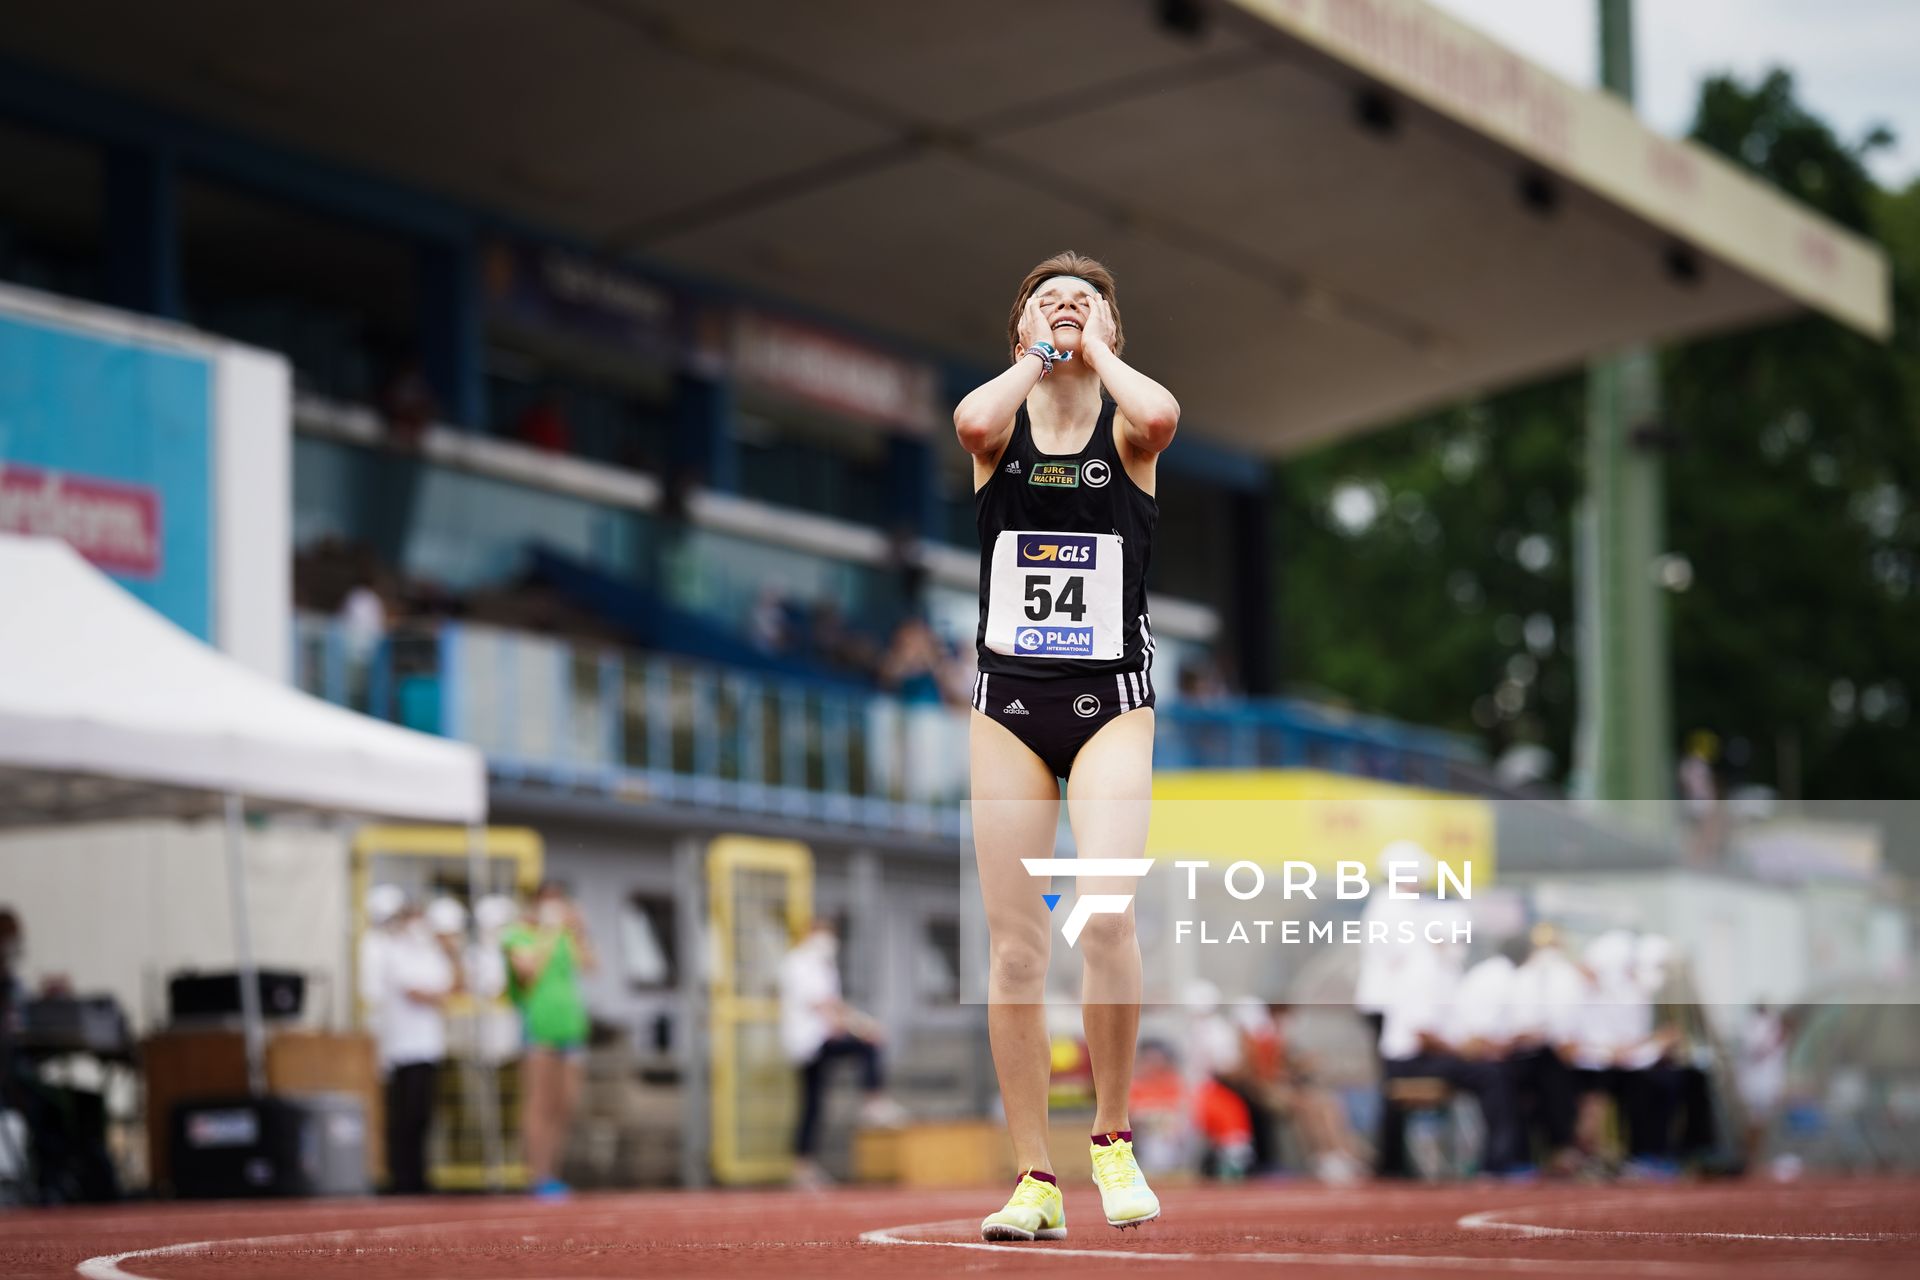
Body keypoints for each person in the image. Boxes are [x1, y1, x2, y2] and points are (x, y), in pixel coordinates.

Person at [955, 252, 1180, 1241]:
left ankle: (1112, 1135)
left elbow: (1165, 415)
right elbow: (970, 421)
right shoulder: (995, 425)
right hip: (1008, 704)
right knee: (1014, 945)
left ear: (1112, 333)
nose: (1067, 309)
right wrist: (1037, 357)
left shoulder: (1128, 428)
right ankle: (1033, 1175)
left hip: (1111, 703)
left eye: (1086, 304)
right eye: (1048, 302)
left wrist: (1091, 350)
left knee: (1107, 912)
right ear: (1020, 331)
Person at [777, 918, 904, 1188]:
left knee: (813, 1103)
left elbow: (831, 1007)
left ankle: (803, 1166)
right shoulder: (798, 963)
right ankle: (873, 1101)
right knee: (867, 1046)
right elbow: (824, 1006)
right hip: (809, 1042)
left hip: (818, 1039)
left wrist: (856, 1023)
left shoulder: (823, 966)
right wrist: (863, 1026)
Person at [501, 883, 595, 1199]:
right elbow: (527, 972)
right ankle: (537, 1174)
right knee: (539, 1104)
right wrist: (548, 932)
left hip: (571, 1027)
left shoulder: (567, 935)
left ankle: (553, 1172)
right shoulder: (518, 934)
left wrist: (580, 929)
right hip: (539, 1027)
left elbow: (591, 965)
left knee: (564, 1104)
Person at [360, 891, 455, 1195]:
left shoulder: (430, 954)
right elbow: (417, 992)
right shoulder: (391, 950)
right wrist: (437, 995)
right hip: (401, 1046)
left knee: (423, 1114)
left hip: (428, 1045)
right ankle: (400, 1175)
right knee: (404, 1114)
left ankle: (418, 1174)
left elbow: (451, 987)